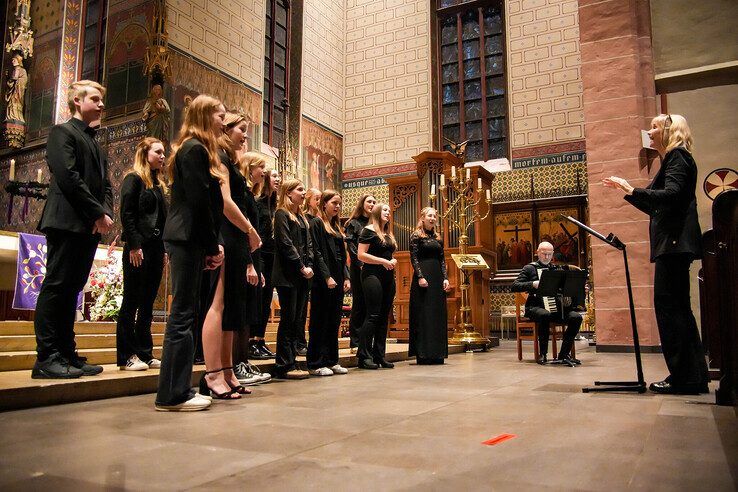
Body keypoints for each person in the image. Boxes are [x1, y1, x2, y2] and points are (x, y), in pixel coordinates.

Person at [603, 113, 709, 395]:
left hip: (674, 244)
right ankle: (694, 375)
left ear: (668, 130)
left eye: (653, 127)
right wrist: (628, 192)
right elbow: (654, 205)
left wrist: (631, 188)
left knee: (670, 310)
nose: (647, 132)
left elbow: (672, 195)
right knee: (680, 310)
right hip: (674, 245)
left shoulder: (678, 158)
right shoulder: (674, 160)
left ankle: (683, 378)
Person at [32, 80, 113, 379]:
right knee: (57, 286)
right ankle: (46, 357)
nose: (102, 104)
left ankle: (66, 353)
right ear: (77, 101)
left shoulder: (95, 142)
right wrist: (96, 213)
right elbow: (68, 177)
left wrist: (104, 213)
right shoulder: (62, 133)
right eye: (95, 98)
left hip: (87, 225)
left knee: (73, 289)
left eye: (102, 99)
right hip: (66, 221)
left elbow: (106, 186)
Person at [154, 94, 226, 412]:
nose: (223, 121)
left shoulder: (193, 149)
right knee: (182, 315)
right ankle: (172, 393)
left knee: (186, 313)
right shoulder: (194, 149)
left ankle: (178, 388)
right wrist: (212, 246)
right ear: (204, 115)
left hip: (189, 238)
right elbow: (199, 202)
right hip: (187, 237)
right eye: (220, 115)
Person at [199, 112, 264, 400]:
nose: (245, 135)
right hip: (227, 233)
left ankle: (227, 371)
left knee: (232, 310)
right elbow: (225, 202)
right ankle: (212, 373)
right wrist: (250, 229)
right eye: (241, 130)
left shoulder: (233, 162)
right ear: (226, 130)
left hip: (237, 238)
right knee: (218, 304)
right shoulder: (221, 159)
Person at [116, 137, 168, 371]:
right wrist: (135, 244)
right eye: (158, 152)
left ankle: (145, 353)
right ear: (145, 153)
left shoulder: (157, 184)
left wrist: (164, 248)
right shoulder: (133, 179)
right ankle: (127, 355)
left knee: (147, 302)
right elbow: (127, 214)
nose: (163, 156)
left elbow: (162, 219)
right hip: (139, 247)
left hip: (156, 247)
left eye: (164, 152)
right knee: (132, 300)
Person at [231, 150, 272, 386]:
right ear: (249, 168)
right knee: (242, 314)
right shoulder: (242, 194)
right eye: (260, 166)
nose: (264, 171)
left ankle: (243, 362)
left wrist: (258, 267)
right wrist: (249, 263)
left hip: (253, 259)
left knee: (249, 313)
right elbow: (241, 231)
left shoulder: (250, 195)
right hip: (244, 258)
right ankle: (237, 364)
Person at [511, 242, 582, 366]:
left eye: (549, 254)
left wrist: (576, 288)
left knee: (576, 317)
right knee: (545, 315)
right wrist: (532, 284)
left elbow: (563, 290)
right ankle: (543, 353)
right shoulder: (529, 268)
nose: (546, 257)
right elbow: (515, 286)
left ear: (553, 254)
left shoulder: (556, 269)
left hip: (556, 308)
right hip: (535, 307)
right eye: (544, 254)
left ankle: (564, 354)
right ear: (537, 252)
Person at [272, 179, 314, 379]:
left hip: (302, 275)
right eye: (299, 189)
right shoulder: (281, 214)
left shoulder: (302, 217)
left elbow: (309, 245)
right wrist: (301, 266)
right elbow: (286, 244)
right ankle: (283, 364)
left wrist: (310, 266)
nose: (303, 192)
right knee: (288, 320)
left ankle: (292, 361)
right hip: (288, 275)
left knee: (297, 321)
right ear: (288, 193)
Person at [307, 190, 351, 376]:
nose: (338, 206)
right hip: (323, 278)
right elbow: (316, 252)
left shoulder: (336, 227)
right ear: (324, 204)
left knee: (333, 320)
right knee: (320, 320)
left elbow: (342, 256)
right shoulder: (317, 223)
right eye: (334, 203)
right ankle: (316, 362)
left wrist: (346, 276)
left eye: (339, 203)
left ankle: (332, 360)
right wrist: (326, 276)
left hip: (337, 277)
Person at [356, 202, 397, 369]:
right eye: (385, 210)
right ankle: (364, 356)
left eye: (389, 210)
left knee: (383, 317)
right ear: (377, 212)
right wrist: (383, 261)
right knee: (372, 315)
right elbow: (361, 255)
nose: (388, 213)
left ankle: (379, 355)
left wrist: (392, 261)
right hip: (372, 275)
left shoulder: (387, 234)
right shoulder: (368, 231)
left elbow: (389, 255)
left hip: (387, 276)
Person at [408, 207, 451, 365]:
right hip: (423, 278)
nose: (433, 218)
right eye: (430, 215)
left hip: (437, 278)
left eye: (435, 216)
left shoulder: (438, 237)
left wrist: (445, 278)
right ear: (423, 218)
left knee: (437, 315)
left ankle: (437, 353)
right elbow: (414, 257)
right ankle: (424, 353)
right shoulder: (416, 235)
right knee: (424, 314)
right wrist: (420, 276)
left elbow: (442, 259)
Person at [248, 168, 280, 360]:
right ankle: (251, 341)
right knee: (258, 298)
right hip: (259, 253)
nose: (278, 179)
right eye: (275, 176)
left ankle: (260, 339)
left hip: (272, 256)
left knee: (267, 298)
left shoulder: (275, 206)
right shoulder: (259, 203)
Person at [344, 194, 376, 352]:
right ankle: (355, 342)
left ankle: (366, 342)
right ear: (362, 203)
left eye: (374, 202)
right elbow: (351, 247)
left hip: (372, 268)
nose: (372, 204)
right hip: (359, 268)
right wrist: (361, 263)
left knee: (370, 305)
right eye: (369, 201)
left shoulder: (375, 224)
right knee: (359, 304)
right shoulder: (353, 223)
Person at [293, 187, 321, 356]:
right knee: (299, 309)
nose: (319, 202)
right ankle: (298, 341)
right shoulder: (304, 218)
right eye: (316, 199)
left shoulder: (316, 219)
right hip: (302, 266)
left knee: (304, 308)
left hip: (312, 266)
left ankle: (302, 340)